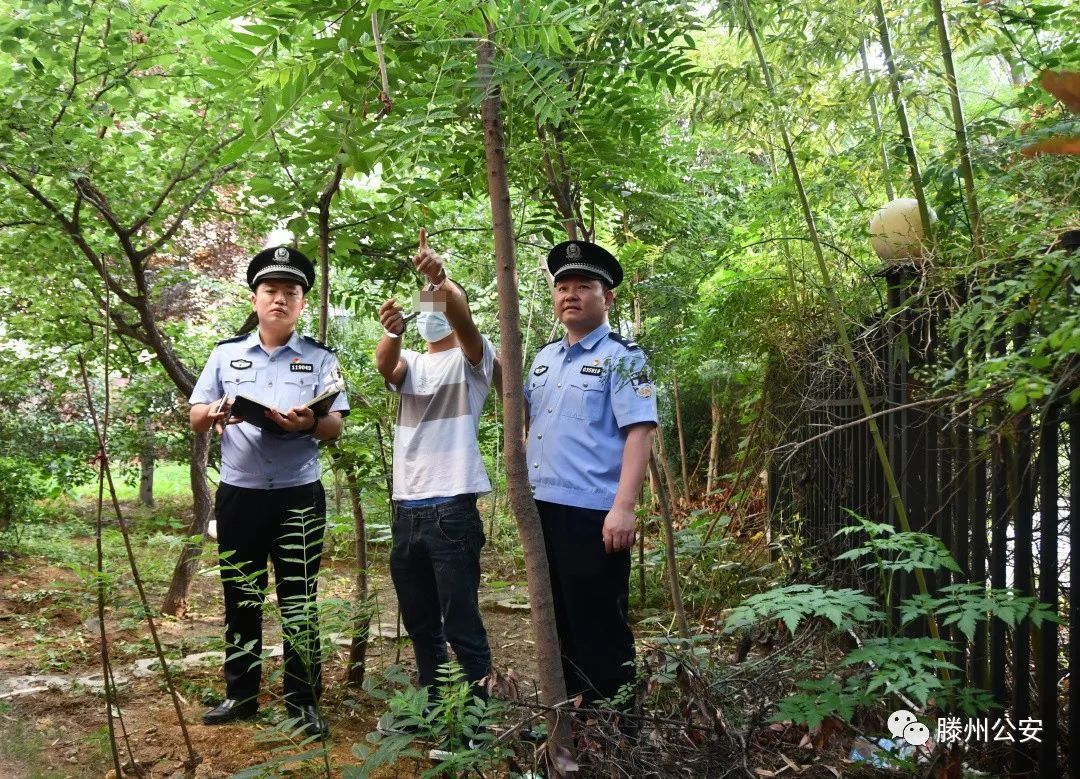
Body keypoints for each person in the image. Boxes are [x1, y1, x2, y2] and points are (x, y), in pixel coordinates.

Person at [189, 246, 349, 738]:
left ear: (302, 302)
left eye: (291, 292)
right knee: (241, 594)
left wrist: (309, 422)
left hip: (299, 494)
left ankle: (303, 701)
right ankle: (241, 693)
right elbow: (195, 415)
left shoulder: (320, 358)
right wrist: (213, 413)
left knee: (300, 598)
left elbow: (335, 426)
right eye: (271, 291)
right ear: (255, 299)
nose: (280, 300)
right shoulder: (225, 354)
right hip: (241, 493)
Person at [525, 240, 657, 705]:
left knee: (598, 621)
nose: (571, 295)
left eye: (584, 285)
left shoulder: (624, 358)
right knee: (556, 619)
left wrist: (624, 508)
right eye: (563, 286)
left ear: (608, 298)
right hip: (543, 508)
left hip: (593, 512)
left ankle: (617, 726)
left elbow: (640, 432)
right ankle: (572, 720)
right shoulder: (543, 359)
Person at [375, 236, 495, 706]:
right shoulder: (413, 363)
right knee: (420, 620)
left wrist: (438, 279)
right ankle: (432, 705)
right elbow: (386, 363)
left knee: (460, 617)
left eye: (436, 302)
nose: (431, 311)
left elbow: (462, 318)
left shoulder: (474, 359)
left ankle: (476, 716)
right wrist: (391, 330)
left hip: (452, 508)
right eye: (425, 303)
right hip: (407, 510)